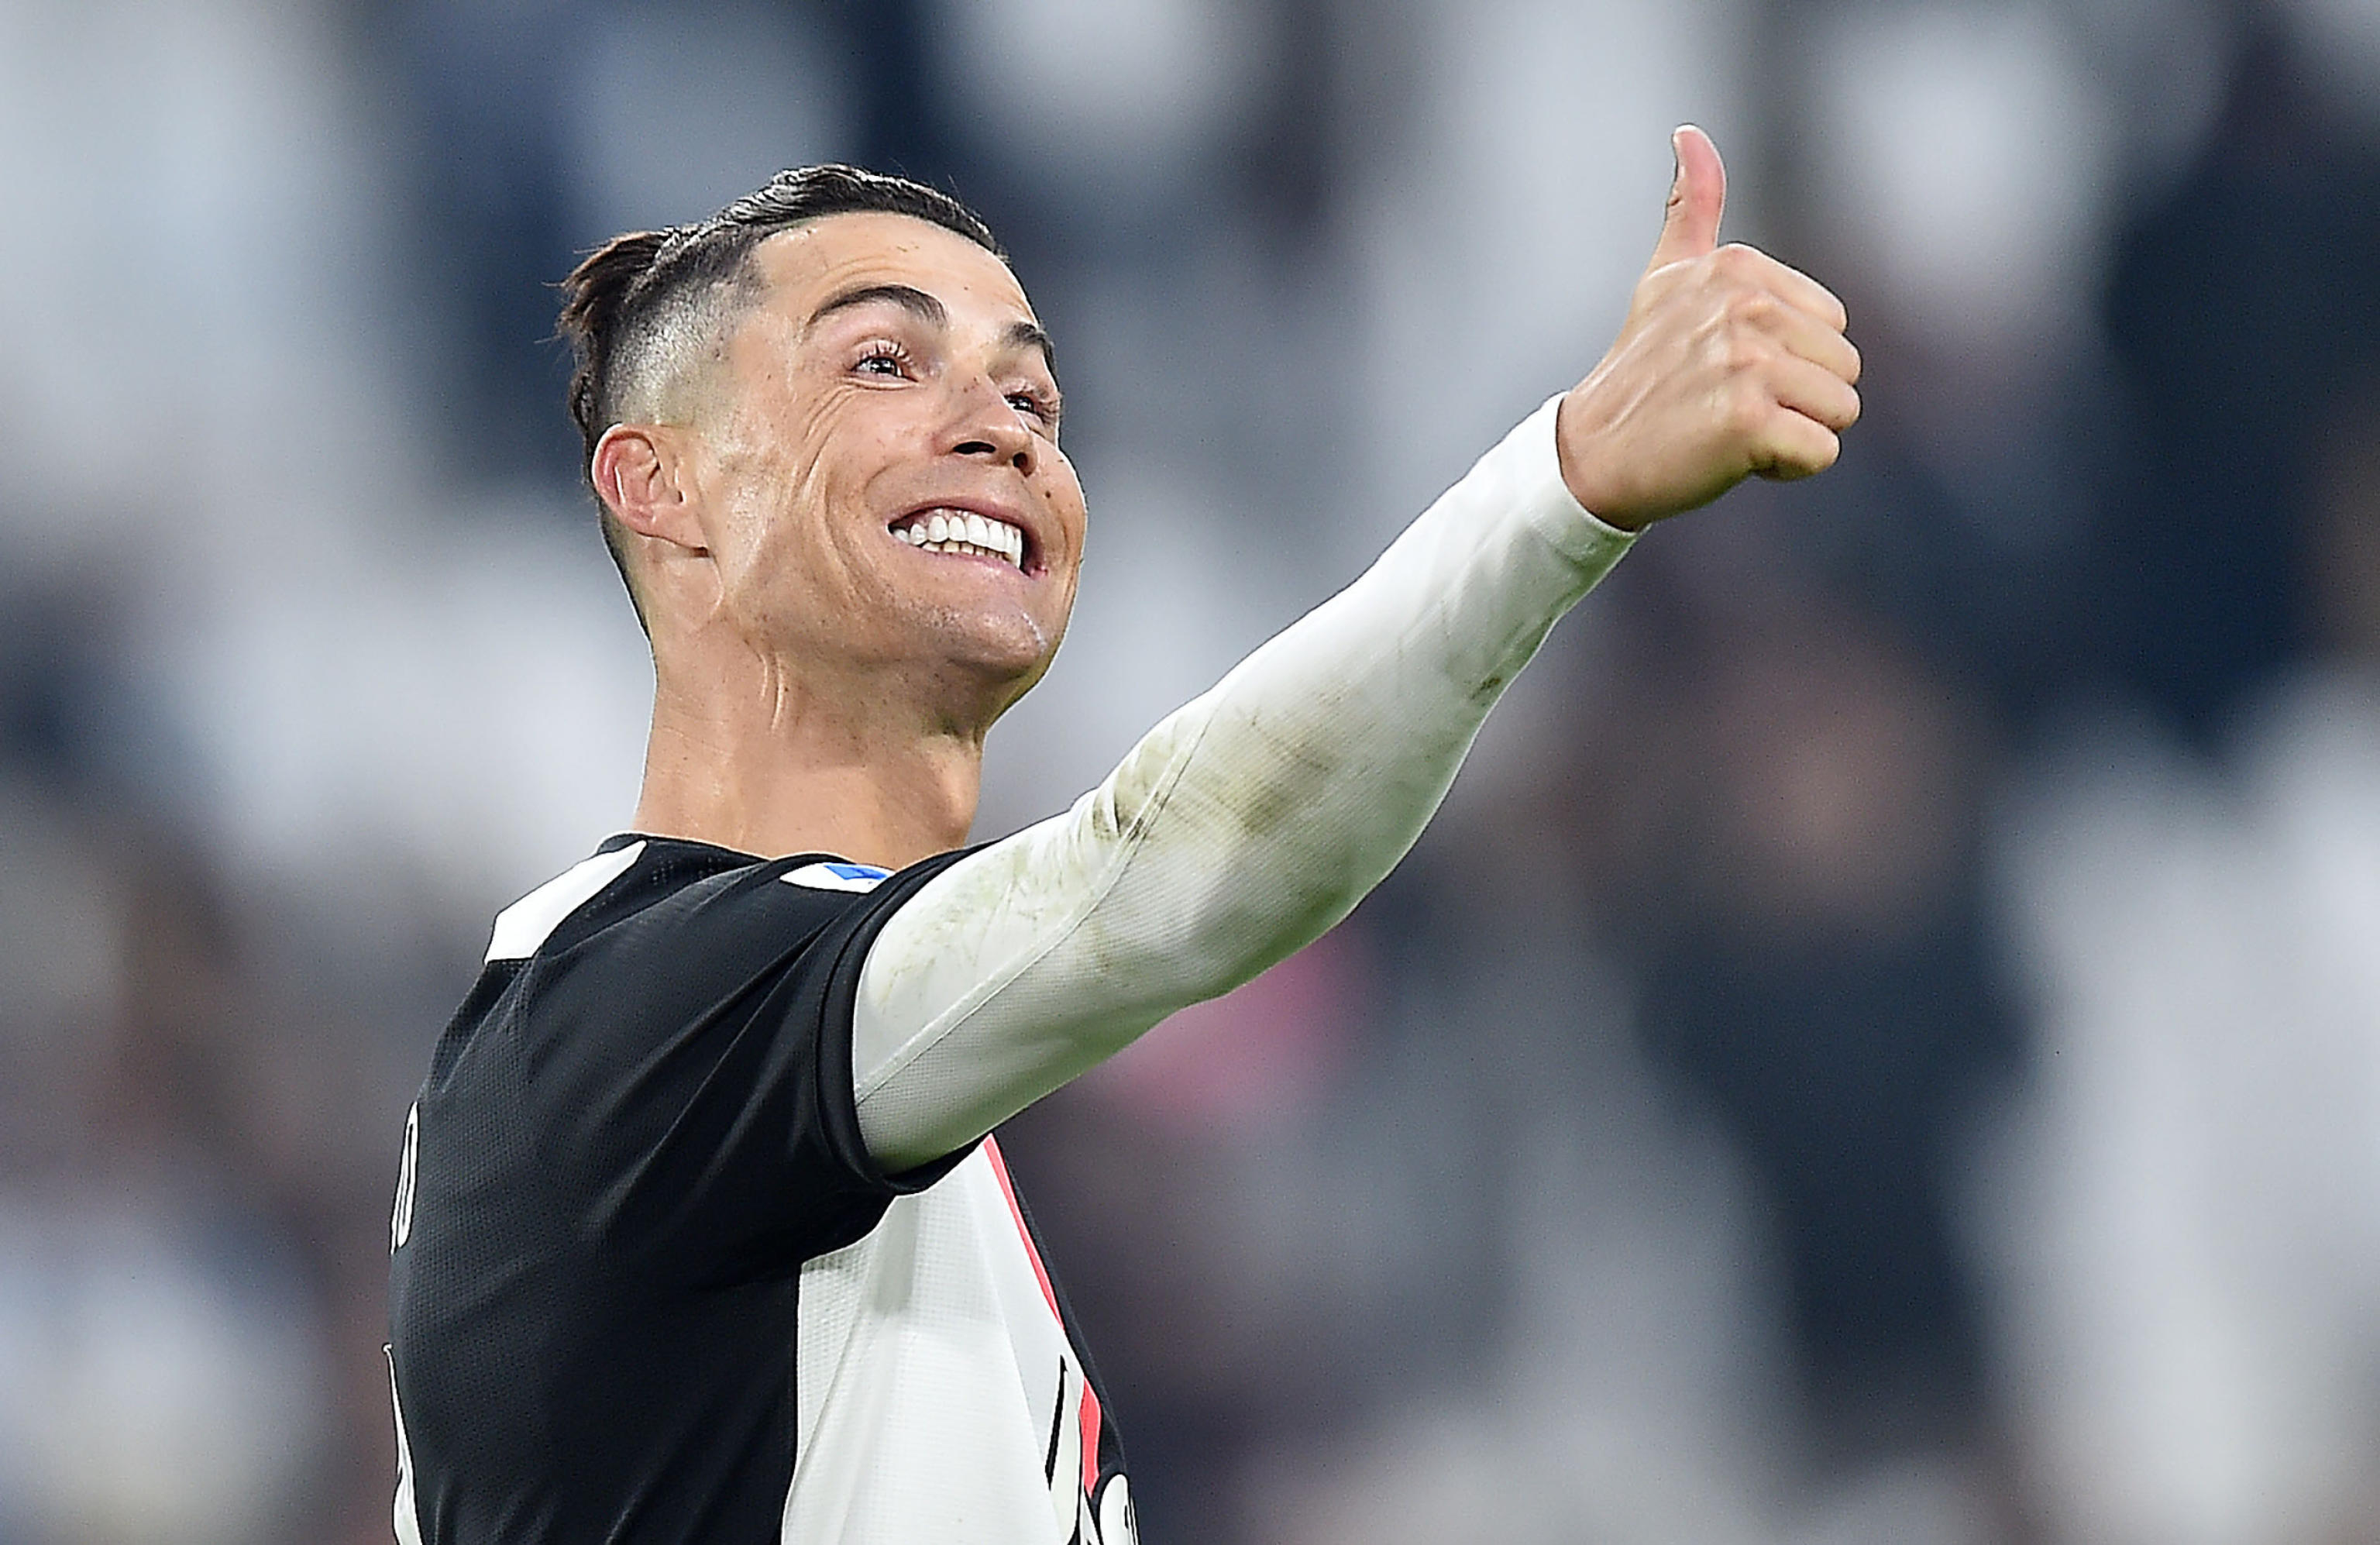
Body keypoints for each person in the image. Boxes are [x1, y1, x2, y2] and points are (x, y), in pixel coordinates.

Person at [384, 126, 1859, 1545]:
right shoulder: (614, 1017)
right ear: (665, 487)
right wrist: (1569, 480)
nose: (998, 429)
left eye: (1034, 400)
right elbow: (1169, 875)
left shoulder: (827, 1130)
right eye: (883, 363)